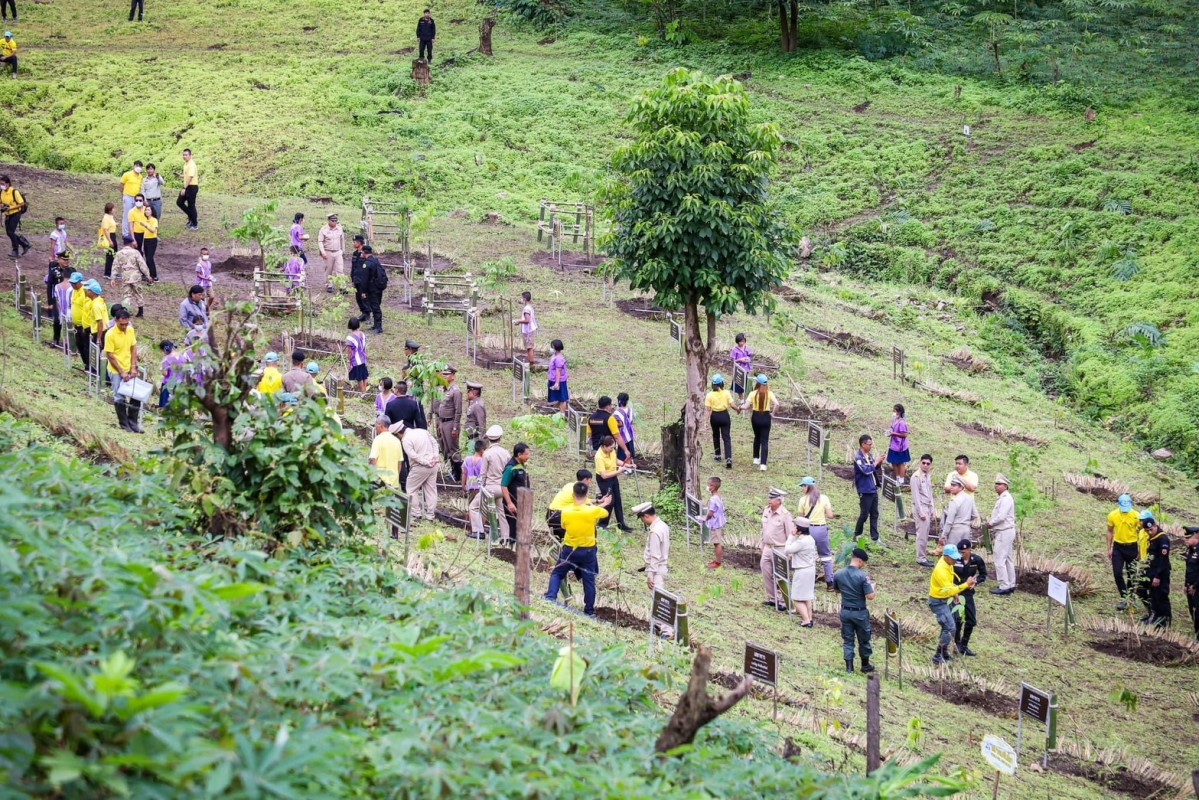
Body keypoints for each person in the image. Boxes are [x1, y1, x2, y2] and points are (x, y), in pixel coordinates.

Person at [545, 482, 611, 616]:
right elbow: (604, 513)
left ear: (573, 495)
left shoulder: (566, 511)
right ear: (587, 494)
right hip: (588, 550)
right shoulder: (593, 510)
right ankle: (589, 610)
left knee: (557, 573)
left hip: (570, 549)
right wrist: (605, 503)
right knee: (589, 580)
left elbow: (563, 526)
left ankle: (551, 597)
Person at [929, 543, 977, 665]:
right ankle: (938, 655)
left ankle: (943, 653)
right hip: (938, 602)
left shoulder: (948, 563)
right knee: (950, 627)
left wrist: (954, 594)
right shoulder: (941, 570)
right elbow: (948, 589)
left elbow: (949, 586)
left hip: (945, 599)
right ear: (946, 556)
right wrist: (966, 584)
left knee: (949, 625)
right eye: (953, 558)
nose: (956, 560)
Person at [833, 547, 876, 673]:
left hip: (845, 611)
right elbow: (870, 596)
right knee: (864, 639)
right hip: (860, 613)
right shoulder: (863, 576)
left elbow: (836, 590)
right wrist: (873, 588)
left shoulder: (839, 573)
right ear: (860, 562)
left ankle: (849, 668)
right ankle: (865, 665)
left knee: (848, 639)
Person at [104, 309, 143, 433]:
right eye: (121, 324)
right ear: (115, 321)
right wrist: (121, 372)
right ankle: (124, 423)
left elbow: (133, 348)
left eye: (126, 324)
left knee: (135, 394)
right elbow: (110, 355)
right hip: (116, 370)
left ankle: (133, 422)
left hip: (128, 367)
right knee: (119, 396)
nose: (124, 326)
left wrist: (133, 367)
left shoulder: (130, 330)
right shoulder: (110, 334)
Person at [469, 426, 510, 540]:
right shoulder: (506, 453)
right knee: (501, 513)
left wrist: (480, 486)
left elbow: (483, 474)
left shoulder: (487, 453)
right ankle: (506, 537)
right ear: (500, 438)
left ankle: (478, 531)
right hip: (502, 488)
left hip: (490, 488)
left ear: (489, 439)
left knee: (474, 506)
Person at [394, 420, 440, 522]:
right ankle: (430, 515)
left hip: (421, 467)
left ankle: (416, 513)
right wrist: (435, 457)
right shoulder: (422, 431)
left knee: (410, 489)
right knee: (431, 490)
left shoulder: (406, 440)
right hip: (433, 464)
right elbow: (434, 443)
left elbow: (413, 456)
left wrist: (426, 462)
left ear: (398, 434)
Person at [636, 502, 671, 633]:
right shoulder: (663, 525)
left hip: (657, 569)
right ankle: (657, 624)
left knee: (660, 599)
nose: (643, 522)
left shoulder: (655, 531)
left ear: (646, 516)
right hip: (662, 567)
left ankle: (667, 630)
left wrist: (650, 575)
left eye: (642, 519)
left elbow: (655, 556)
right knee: (657, 598)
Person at [797, 476, 836, 590]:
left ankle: (810, 580)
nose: (802, 488)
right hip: (821, 530)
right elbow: (829, 515)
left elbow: (801, 517)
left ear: (807, 486)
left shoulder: (803, 500)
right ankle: (830, 582)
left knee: (808, 555)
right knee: (826, 556)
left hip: (808, 530)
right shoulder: (824, 498)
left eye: (803, 486)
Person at [758, 488, 794, 611]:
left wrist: (789, 552)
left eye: (771, 499)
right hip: (767, 548)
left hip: (780, 549)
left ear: (779, 501)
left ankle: (784, 602)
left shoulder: (785, 515)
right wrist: (762, 545)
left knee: (781, 576)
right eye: (769, 498)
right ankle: (773, 599)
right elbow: (763, 529)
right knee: (766, 572)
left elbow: (790, 534)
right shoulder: (766, 511)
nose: (769, 501)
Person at [1106, 493, 1142, 610]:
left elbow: (1142, 534)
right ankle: (1124, 598)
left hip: (1132, 547)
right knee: (1117, 573)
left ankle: (1130, 598)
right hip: (1118, 547)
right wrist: (1109, 548)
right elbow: (1110, 531)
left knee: (1132, 574)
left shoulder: (1137, 515)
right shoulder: (1113, 515)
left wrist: (1140, 551)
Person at [952, 540, 987, 656]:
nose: (961, 554)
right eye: (960, 552)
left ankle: (964, 645)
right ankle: (956, 644)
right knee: (958, 620)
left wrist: (975, 582)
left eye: (963, 552)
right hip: (956, 593)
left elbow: (983, 574)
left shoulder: (976, 560)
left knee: (971, 620)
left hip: (968, 594)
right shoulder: (955, 560)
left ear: (969, 550)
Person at [594, 436, 632, 532]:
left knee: (618, 500)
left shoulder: (611, 451)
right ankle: (602, 523)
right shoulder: (599, 456)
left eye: (614, 447)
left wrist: (627, 465)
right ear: (604, 446)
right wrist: (619, 472)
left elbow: (616, 461)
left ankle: (621, 524)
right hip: (604, 480)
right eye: (611, 447)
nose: (613, 449)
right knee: (609, 501)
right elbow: (604, 475)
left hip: (613, 477)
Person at [785, 516, 818, 627]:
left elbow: (787, 549)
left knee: (797, 597)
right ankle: (810, 619)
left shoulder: (802, 542)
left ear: (799, 529)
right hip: (810, 569)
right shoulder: (810, 539)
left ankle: (806, 620)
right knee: (807, 596)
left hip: (802, 571)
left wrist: (790, 536)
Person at [741, 375, 778, 472]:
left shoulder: (753, 394)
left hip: (756, 417)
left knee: (757, 437)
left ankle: (756, 458)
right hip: (766, 417)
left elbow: (745, 406)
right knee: (764, 441)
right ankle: (763, 464)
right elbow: (777, 404)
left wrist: (740, 407)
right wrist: (773, 414)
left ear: (757, 383)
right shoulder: (769, 393)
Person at [988, 474, 1017, 596]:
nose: (996, 486)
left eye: (999, 484)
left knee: (999, 559)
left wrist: (990, 523)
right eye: (996, 483)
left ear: (1005, 486)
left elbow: (1001, 516)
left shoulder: (1005, 499)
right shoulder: (1004, 498)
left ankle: (1004, 585)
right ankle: (1010, 584)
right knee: (1008, 559)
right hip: (1007, 531)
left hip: (1004, 531)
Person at [1141, 512, 1171, 627]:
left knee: (1161, 597)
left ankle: (1164, 622)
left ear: (1155, 526)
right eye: (1147, 531)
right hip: (1151, 571)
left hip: (1161, 573)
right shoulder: (1153, 538)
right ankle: (1155, 618)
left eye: (1151, 530)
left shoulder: (1162, 539)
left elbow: (1163, 560)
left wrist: (1157, 576)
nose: (1149, 532)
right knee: (1153, 597)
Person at [548, 469, 593, 541]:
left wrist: (598, 500)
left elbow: (583, 501)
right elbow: (589, 507)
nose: (591, 483)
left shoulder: (570, 485)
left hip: (550, 514)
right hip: (559, 518)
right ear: (585, 480)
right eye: (590, 480)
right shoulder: (580, 489)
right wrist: (605, 503)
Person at [500, 442, 532, 546]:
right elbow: (504, 485)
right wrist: (509, 503)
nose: (528, 456)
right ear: (519, 454)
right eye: (526, 454)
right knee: (513, 528)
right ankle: (510, 550)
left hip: (521, 503)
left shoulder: (520, 466)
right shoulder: (511, 468)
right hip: (513, 503)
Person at [853, 434, 884, 541]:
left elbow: (873, 469)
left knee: (875, 513)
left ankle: (875, 537)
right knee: (864, 514)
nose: (871, 446)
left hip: (873, 488)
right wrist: (875, 463)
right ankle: (857, 534)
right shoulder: (858, 458)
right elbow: (866, 471)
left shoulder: (869, 455)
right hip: (865, 490)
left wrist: (878, 463)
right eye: (869, 444)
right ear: (863, 444)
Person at [435, 365, 463, 482]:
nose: (444, 376)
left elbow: (458, 411)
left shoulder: (456, 391)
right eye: (443, 374)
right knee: (446, 448)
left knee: (453, 449)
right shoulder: (444, 389)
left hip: (451, 423)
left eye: (447, 374)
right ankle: (453, 471)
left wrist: (455, 427)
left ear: (452, 376)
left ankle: (458, 474)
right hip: (443, 422)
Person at [705, 374, 737, 468]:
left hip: (714, 417)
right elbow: (732, 405)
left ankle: (718, 455)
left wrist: (705, 422)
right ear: (722, 383)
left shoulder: (709, 395)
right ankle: (728, 458)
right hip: (724, 416)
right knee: (726, 437)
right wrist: (738, 409)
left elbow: (708, 409)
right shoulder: (726, 393)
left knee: (716, 435)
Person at [114, 235, 150, 318]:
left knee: (126, 294)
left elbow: (115, 266)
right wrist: (148, 275)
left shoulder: (119, 253)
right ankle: (140, 312)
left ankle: (126, 311)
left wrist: (113, 277)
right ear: (131, 243)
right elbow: (142, 265)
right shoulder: (136, 252)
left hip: (125, 277)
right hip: (135, 277)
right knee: (138, 293)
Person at [912, 454, 938, 567]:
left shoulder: (927, 476)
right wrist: (920, 511)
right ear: (920, 463)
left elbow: (930, 494)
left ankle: (923, 556)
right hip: (921, 507)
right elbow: (916, 496)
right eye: (923, 463)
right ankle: (921, 558)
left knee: (925, 533)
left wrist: (932, 508)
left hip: (927, 506)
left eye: (928, 463)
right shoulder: (916, 477)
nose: (925, 465)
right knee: (921, 534)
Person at [939, 476, 978, 546]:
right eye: (951, 485)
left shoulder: (954, 501)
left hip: (955, 531)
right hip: (966, 530)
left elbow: (949, 521)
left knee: (952, 554)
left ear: (961, 487)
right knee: (964, 554)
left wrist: (943, 535)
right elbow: (975, 515)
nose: (951, 487)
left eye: (954, 485)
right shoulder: (970, 498)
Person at [369, 415, 404, 488]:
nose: (375, 427)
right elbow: (399, 463)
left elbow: (373, 460)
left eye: (376, 424)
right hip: (394, 483)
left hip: (380, 482)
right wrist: (395, 477)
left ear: (380, 425)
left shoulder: (378, 440)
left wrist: (372, 476)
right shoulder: (397, 441)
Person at [1, 173, 29, 256]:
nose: (1, 185)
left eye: (2, 184)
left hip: (16, 213)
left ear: (8, 183)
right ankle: (25, 244)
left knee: (10, 231)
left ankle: (15, 250)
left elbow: (22, 203)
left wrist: (11, 208)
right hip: (8, 214)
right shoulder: (2, 192)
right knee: (9, 232)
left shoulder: (14, 192)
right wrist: (3, 206)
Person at [49, 253, 72, 348]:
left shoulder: (71, 271)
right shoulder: (54, 271)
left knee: (70, 321)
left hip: (69, 300)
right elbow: (50, 286)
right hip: (57, 299)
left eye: (67, 260)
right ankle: (56, 339)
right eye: (64, 259)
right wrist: (50, 302)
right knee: (57, 319)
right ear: (59, 259)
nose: (66, 262)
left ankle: (69, 342)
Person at [317, 213, 345, 292]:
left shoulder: (339, 228)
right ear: (329, 220)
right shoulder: (324, 229)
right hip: (328, 251)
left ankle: (342, 286)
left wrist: (343, 251)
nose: (334, 222)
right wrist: (323, 252)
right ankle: (329, 285)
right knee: (329, 269)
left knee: (340, 269)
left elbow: (342, 240)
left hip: (338, 251)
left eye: (336, 221)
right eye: (332, 221)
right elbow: (320, 241)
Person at [363, 245, 387, 333]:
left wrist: (363, 291)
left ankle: (378, 327)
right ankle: (376, 325)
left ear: (364, 253)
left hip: (372, 289)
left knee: (375, 307)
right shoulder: (375, 260)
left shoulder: (367, 264)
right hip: (378, 287)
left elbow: (365, 279)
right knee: (375, 306)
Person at [704, 476, 726, 569]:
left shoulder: (713, 499)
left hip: (715, 523)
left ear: (712, 486)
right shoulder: (718, 496)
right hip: (719, 522)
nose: (707, 487)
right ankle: (717, 560)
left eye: (708, 485)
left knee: (717, 543)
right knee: (717, 543)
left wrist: (705, 519)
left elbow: (710, 513)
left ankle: (718, 563)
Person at [159, 340, 189, 407]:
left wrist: (161, 369)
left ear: (164, 349)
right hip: (180, 384)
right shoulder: (182, 357)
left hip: (169, 384)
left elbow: (165, 373)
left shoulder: (166, 359)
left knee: (165, 405)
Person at [118, 162, 144, 238]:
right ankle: (125, 233)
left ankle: (132, 232)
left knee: (134, 215)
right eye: (137, 165)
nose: (138, 167)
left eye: (140, 166)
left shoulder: (141, 177)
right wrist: (123, 194)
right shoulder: (127, 174)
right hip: (128, 196)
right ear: (134, 166)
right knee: (127, 215)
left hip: (136, 198)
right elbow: (121, 185)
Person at [513, 290, 538, 366]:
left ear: (525, 299)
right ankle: (531, 363)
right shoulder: (529, 307)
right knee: (529, 347)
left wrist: (518, 321)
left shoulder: (526, 309)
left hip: (528, 331)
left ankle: (531, 365)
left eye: (522, 298)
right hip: (530, 330)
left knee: (529, 347)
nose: (521, 300)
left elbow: (527, 320)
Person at [68, 272, 89, 366]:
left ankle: (89, 365)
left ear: (80, 282)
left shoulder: (84, 292)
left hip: (84, 326)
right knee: (79, 345)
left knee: (86, 346)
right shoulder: (74, 291)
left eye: (75, 283)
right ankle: (85, 363)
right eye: (71, 283)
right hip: (76, 325)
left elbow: (87, 309)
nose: (73, 285)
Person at [176, 148, 199, 230]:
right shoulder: (186, 164)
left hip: (192, 186)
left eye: (186, 155)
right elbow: (187, 175)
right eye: (183, 155)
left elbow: (190, 177)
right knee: (179, 202)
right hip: (187, 186)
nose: (184, 156)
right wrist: (180, 176)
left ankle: (194, 224)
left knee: (191, 205)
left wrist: (184, 188)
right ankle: (192, 218)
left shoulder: (192, 164)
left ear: (190, 155)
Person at [887, 404, 910, 482]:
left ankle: (901, 479)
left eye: (894, 411)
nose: (893, 413)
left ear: (899, 412)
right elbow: (892, 428)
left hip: (900, 446)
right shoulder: (895, 420)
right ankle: (897, 477)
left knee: (900, 462)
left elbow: (904, 434)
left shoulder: (902, 423)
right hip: (893, 445)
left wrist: (894, 434)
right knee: (893, 461)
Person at [1183, 526, 1199, 639]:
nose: (1185, 540)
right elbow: (1189, 569)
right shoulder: (1190, 550)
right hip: (1190, 585)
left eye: (1188, 538)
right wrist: (1186, 584)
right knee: (1192, 610)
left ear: (1196, 536)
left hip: (1197, 587)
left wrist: (1195, 586)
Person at [346, 318, 369, 391]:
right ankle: (365, 390)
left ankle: (363, 392)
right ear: (358, 325)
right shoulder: (363, 334)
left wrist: (349, 360)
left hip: (356, 360)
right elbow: (364, 347)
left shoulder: (350, 338)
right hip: (363, 358)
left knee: (359, 378)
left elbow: (350, 352)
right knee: (364, 376)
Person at [613, 392, 637, 466]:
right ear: (627, 401)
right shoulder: (631, 411)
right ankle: (629, 466)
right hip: (630, 435)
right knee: (629, 450)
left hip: (621, 436)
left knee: (622, 452)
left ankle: (624, 467)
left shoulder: (616, 413)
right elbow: (631, 422)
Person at [547, 339, 569, 414]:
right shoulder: (554, 356)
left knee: (562, 398)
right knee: (559, 397)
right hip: (553, 379)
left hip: (559, 381)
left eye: (552, 347)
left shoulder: (558, 358)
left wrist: (557, 383)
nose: (551, 348)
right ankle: (560, 412)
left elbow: (558, 371)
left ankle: (562, 414)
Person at [350, 235, 369, 320]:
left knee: (364, 297)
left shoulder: (365, 253)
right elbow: (353, 267)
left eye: (355, 242)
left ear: (359, 243)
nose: (353, 244)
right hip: (356, 279)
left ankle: (367, 314)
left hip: (364, 280)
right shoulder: (355, 253)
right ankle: (363, 313)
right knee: (358, 298)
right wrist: (353, 279)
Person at [97, 203, 119, 279]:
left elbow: (110, 225)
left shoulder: (110, 217)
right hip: (110, 237)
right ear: (110, 210)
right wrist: (110, 241)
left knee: (114, 254)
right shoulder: (106, 218)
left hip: (113, 235)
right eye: (113, 208)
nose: (115, 209)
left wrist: (116, 224)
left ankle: (113, 272)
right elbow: (106, 230)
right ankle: (108, 273)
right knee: (110, 255)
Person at [731, 333, 752, 400]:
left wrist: (747, 360)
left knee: (747, 386)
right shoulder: (734, 350)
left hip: (747, 370)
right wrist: (740, 360)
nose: (742, 343)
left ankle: (748, 400)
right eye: (740, 341)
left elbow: (750, 358)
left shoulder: (747, 348)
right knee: (739, 387)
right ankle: (742, 401)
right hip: (739, 370)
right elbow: (733, 361)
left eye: (743, 341)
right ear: (737, 341)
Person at [141, 204, 159, 282]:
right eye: (146, 210)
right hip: (146, 240)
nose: (147, 211)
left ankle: (154, 276)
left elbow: (153, 230)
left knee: (149, 258)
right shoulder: (145, 220)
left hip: (152, 240)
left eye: (148, 210)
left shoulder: (154, 220)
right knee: (147, 258)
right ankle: (148, 275)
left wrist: (146, 225)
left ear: (152, 211)